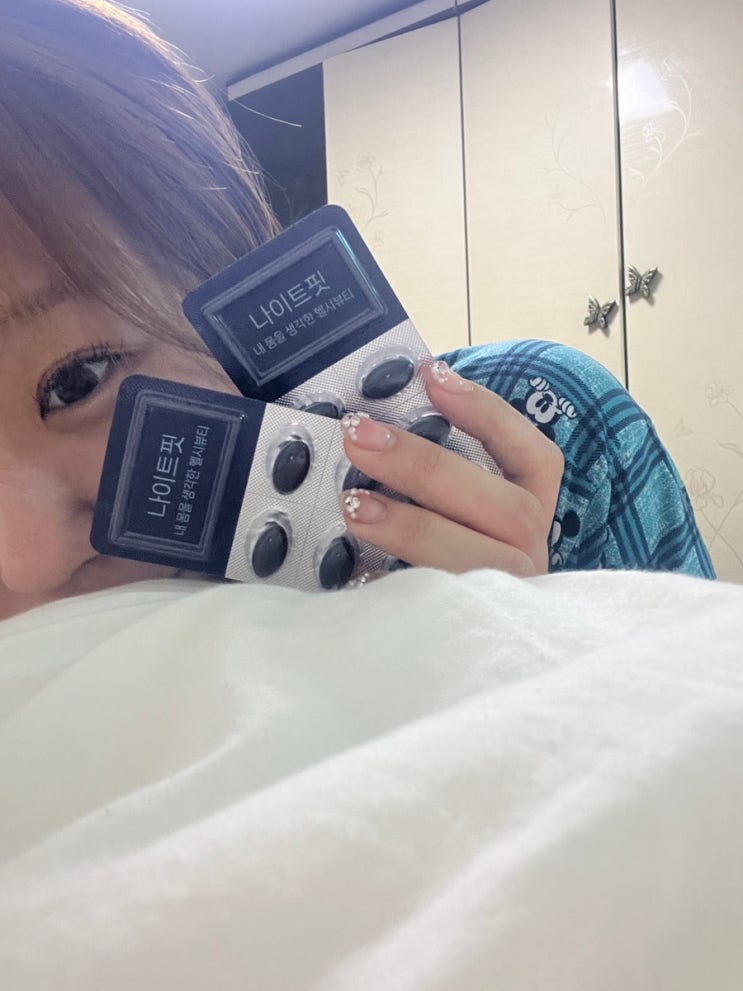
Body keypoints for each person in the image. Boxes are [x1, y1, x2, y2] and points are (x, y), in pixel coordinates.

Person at [0, 0, 713, 622]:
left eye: (77, 380)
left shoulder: (558, 432)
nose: (28, 564)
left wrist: (522, 642)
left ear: (231, 287)